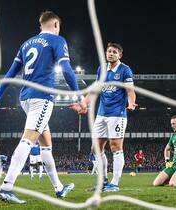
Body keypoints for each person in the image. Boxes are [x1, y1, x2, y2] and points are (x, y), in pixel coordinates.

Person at [0, 11, 85, 204]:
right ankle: (6, 188)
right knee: (28, 140)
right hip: (42, 98)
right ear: (56, 24)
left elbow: (9, 73)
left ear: (40, 25)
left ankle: (58, 188)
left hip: (25, 98)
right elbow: (66, 69)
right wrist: (79, 96)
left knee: (46, 144)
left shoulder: (26, 44)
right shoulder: (57, 41)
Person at [71, 42, 137, 192]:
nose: (110, 53)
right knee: (96, 148)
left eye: (114, 51)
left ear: (120, 55)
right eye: (109, 51)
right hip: (101, 114)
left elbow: (130, 91)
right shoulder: (102, 69)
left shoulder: (125, 70)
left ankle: (115, 184)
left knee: (115, 147)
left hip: (117, 114)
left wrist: (131, 103)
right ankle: (103, 181)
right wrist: (84, 104)